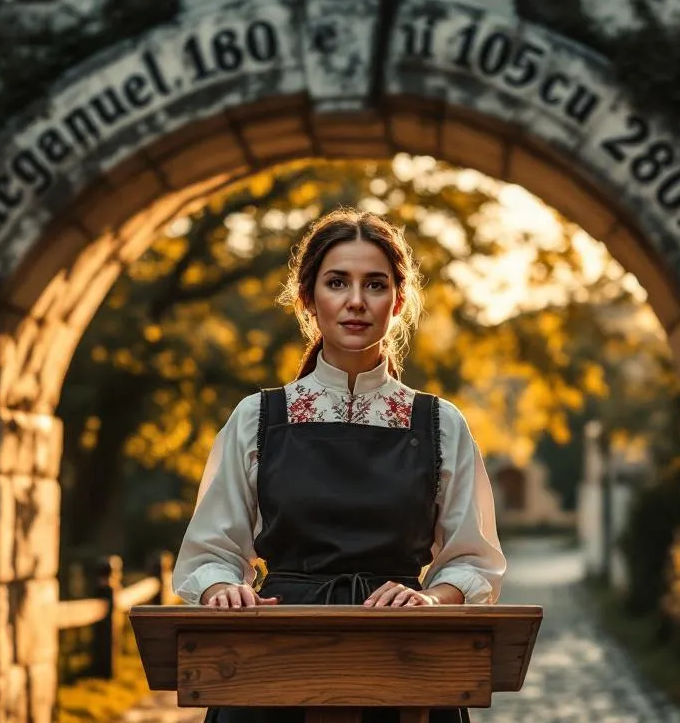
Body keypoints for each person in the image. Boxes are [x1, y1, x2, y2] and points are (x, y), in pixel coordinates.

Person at [171, 206, 507, 723]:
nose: (356, 301)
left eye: (375, 284)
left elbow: (473, 560)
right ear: (308, 299)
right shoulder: (258, 418)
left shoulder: (441, 424)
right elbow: (210, 552)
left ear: (398, 301)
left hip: (405, 663)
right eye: (337, 282)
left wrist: (431, 601)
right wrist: (222, 590)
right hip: (273, 662)